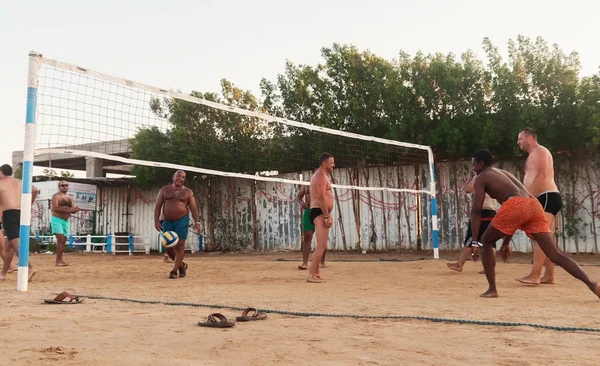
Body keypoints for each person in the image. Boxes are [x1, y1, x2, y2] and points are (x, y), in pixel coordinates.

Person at [468, 150, 599, 299]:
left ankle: (492, 289)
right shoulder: (502, 173)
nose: (473, 168)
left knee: (485, 241)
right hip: (533, 204)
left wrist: (474, 240)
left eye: (474, 165)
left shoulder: (481, 177)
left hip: (516, 205)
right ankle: (593, 285)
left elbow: (476, 210)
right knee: (555, 254)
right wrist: (506, 242)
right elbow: (518, 211)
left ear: (481, 164)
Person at [515, 127, 562, 285]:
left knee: (541, 236)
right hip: (545, 197)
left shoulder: (540, 151)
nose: (518, 142)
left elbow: (541, 174)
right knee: (547, 237)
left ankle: (535, 275)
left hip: (546, 197)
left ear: (529, 137)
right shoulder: (533, 154)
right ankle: (549, 276)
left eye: (520, 138)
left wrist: (530, 197)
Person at [446, 174, 506, 272]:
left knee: (470, 239)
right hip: (491, 212)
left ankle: (459, 264)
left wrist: (473, 178)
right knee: (489, 242)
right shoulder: (495, 178)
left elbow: (468, 189)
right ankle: (489, 268)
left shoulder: (479, 176)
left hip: (482, 212)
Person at [154, 170, 200, 279]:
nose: (180, 179)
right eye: (178, 176)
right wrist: (156, 220)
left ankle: (174, 271)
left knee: (179, 246)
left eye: (183, 177)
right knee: (168, 247)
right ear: (173, 176)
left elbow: (193, 208)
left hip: (182, 220)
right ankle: (181, 266)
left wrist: (197, 222)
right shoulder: (164, 190)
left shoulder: (187, 192)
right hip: (167, 222)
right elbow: (158, 206)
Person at [0, 164, 39, 281]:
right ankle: (3, 274)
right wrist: (30, 203)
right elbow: (35, 189)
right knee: (10, 245)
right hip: (22, 212)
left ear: (1, 172)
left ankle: (30, 268)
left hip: (9, 213)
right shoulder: (20, 182)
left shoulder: (1, 183)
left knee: (16, 243)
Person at [307, 153, 335, 283]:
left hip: (319, 211)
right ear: (324, 163)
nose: (333, 165)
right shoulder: (320, 177)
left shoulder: (321, 176)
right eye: (331, 163)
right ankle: (311, 275)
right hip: (319, 212)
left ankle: (316, 273)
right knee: (321, 246)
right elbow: (321, 197)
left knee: (322, 245)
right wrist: (326, 216)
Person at [295, 179, 326, 270]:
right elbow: (298, 197)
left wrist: (326, 213)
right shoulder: (306, 184)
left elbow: (327, 197)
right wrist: (301, 203)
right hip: (308, 210)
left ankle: (322, 261)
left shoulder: (323, 182)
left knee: (322, 238)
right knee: (307, 236)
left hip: (320, 211)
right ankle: (305, 263)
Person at [50, 180, 80, 266]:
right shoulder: (56, 196)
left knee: (63, 240)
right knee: (60, 239)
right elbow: (55, 208)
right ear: (59, 187)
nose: (65, 187)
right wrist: (69, 210)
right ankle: (58, 261)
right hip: (57, 219)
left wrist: (75, 210)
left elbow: (72, 208)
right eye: (62, 185)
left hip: (66, 221)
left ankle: (60, 260)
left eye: (66, 185)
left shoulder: (70, 197)